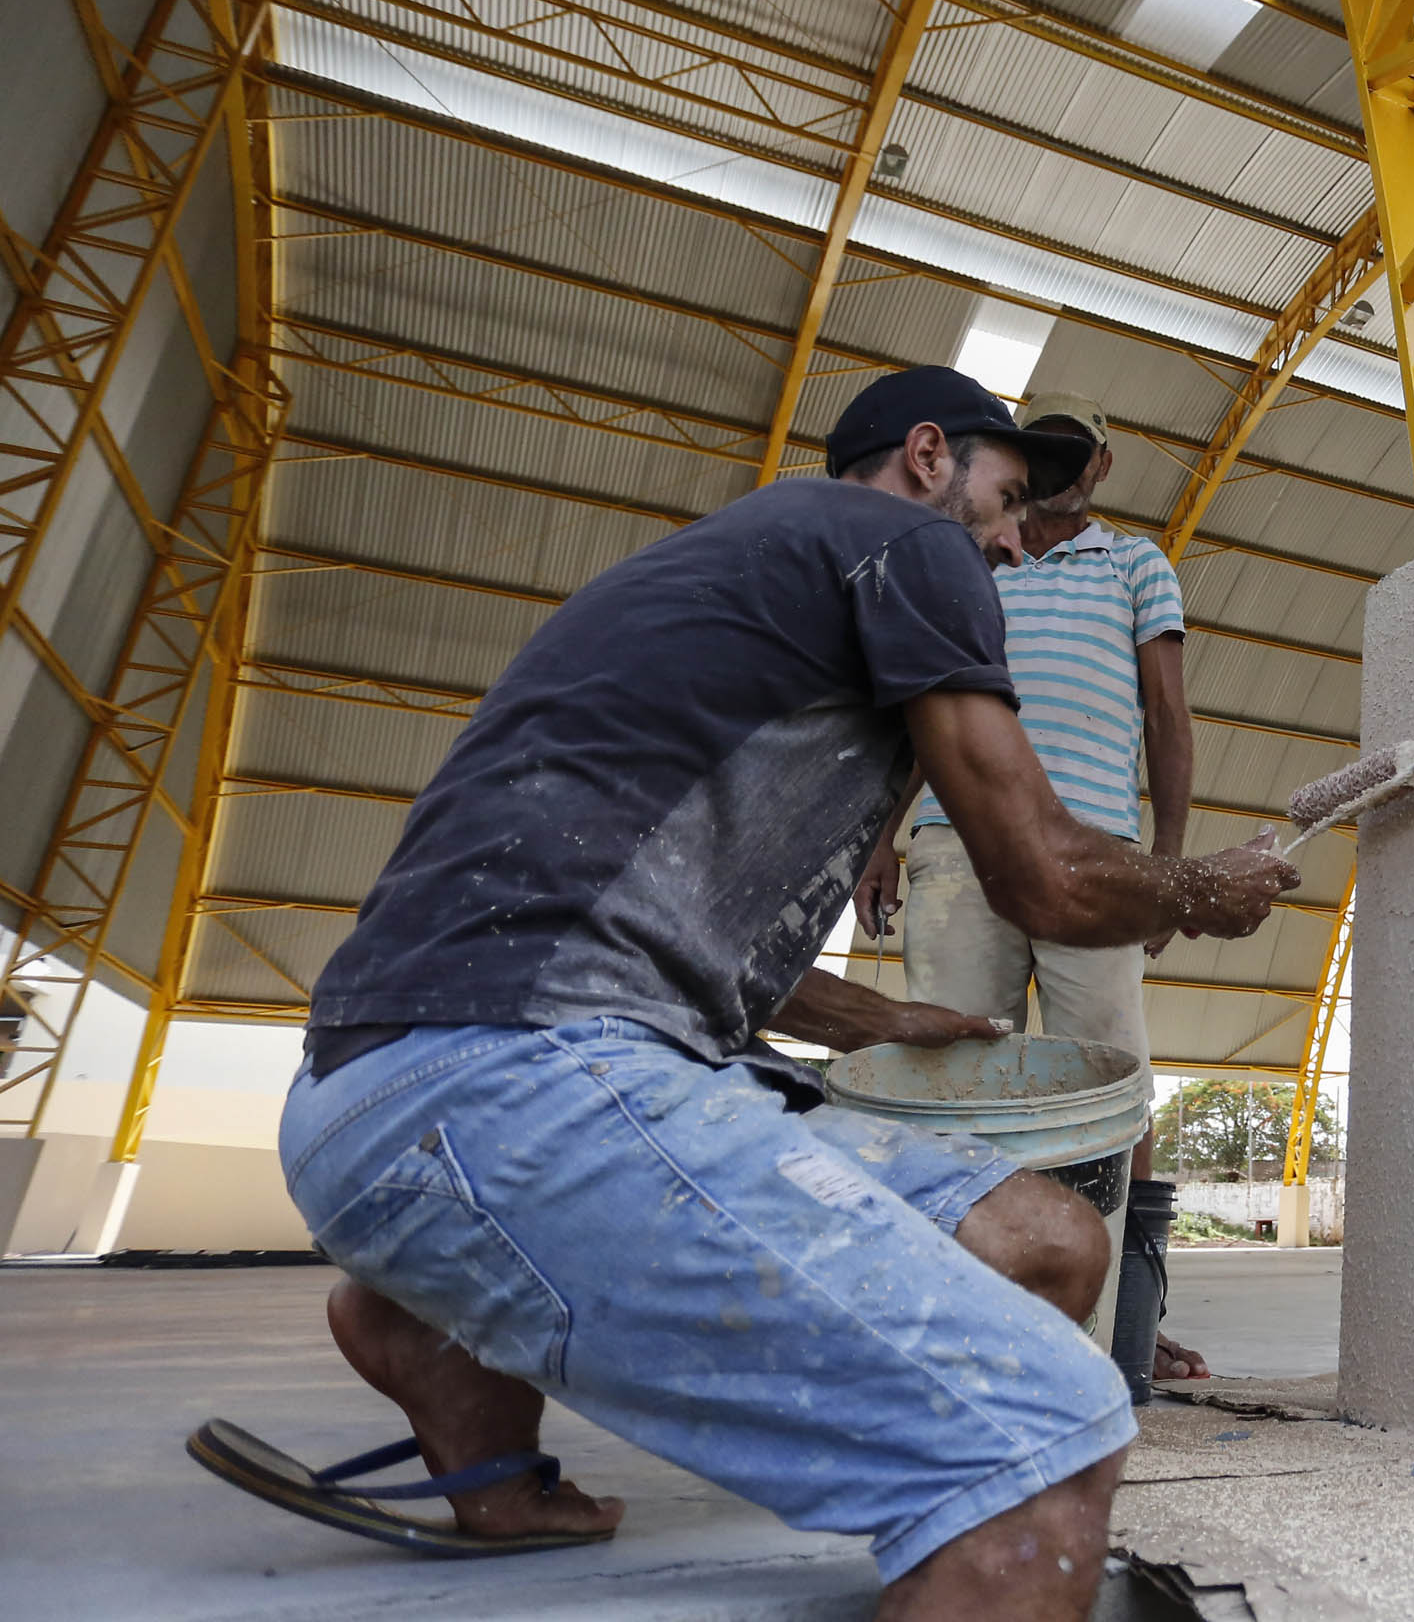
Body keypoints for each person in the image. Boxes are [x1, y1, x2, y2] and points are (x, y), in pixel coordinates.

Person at [256, 367, 1301, 1622]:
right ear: (929, 456)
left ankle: (433, 1337)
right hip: (520, 1080)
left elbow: (642, 922)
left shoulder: (726, 571)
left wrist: (883, 1017)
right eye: (1011, 496)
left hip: (364, 1099)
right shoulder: (911, 544)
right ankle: (449, 1292)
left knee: (1049, 1239)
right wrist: (1206, 886)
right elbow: (1043, 875)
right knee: (1047, 1434)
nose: (1017, 540)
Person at [853, 392, 1206, 1391]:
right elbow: (928, 709)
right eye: (1034, 451)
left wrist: (1168, 867)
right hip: (955, 842)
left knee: (1115, 1083)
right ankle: (955, 1321)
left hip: (1095, 855)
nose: (1053, 468)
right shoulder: (976, 560)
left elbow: (1167, 716)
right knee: (952, 1071)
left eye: (1071, 452)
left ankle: (1127, 1322)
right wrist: (881, 840)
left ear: (1101, 464)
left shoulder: (1135, 564)